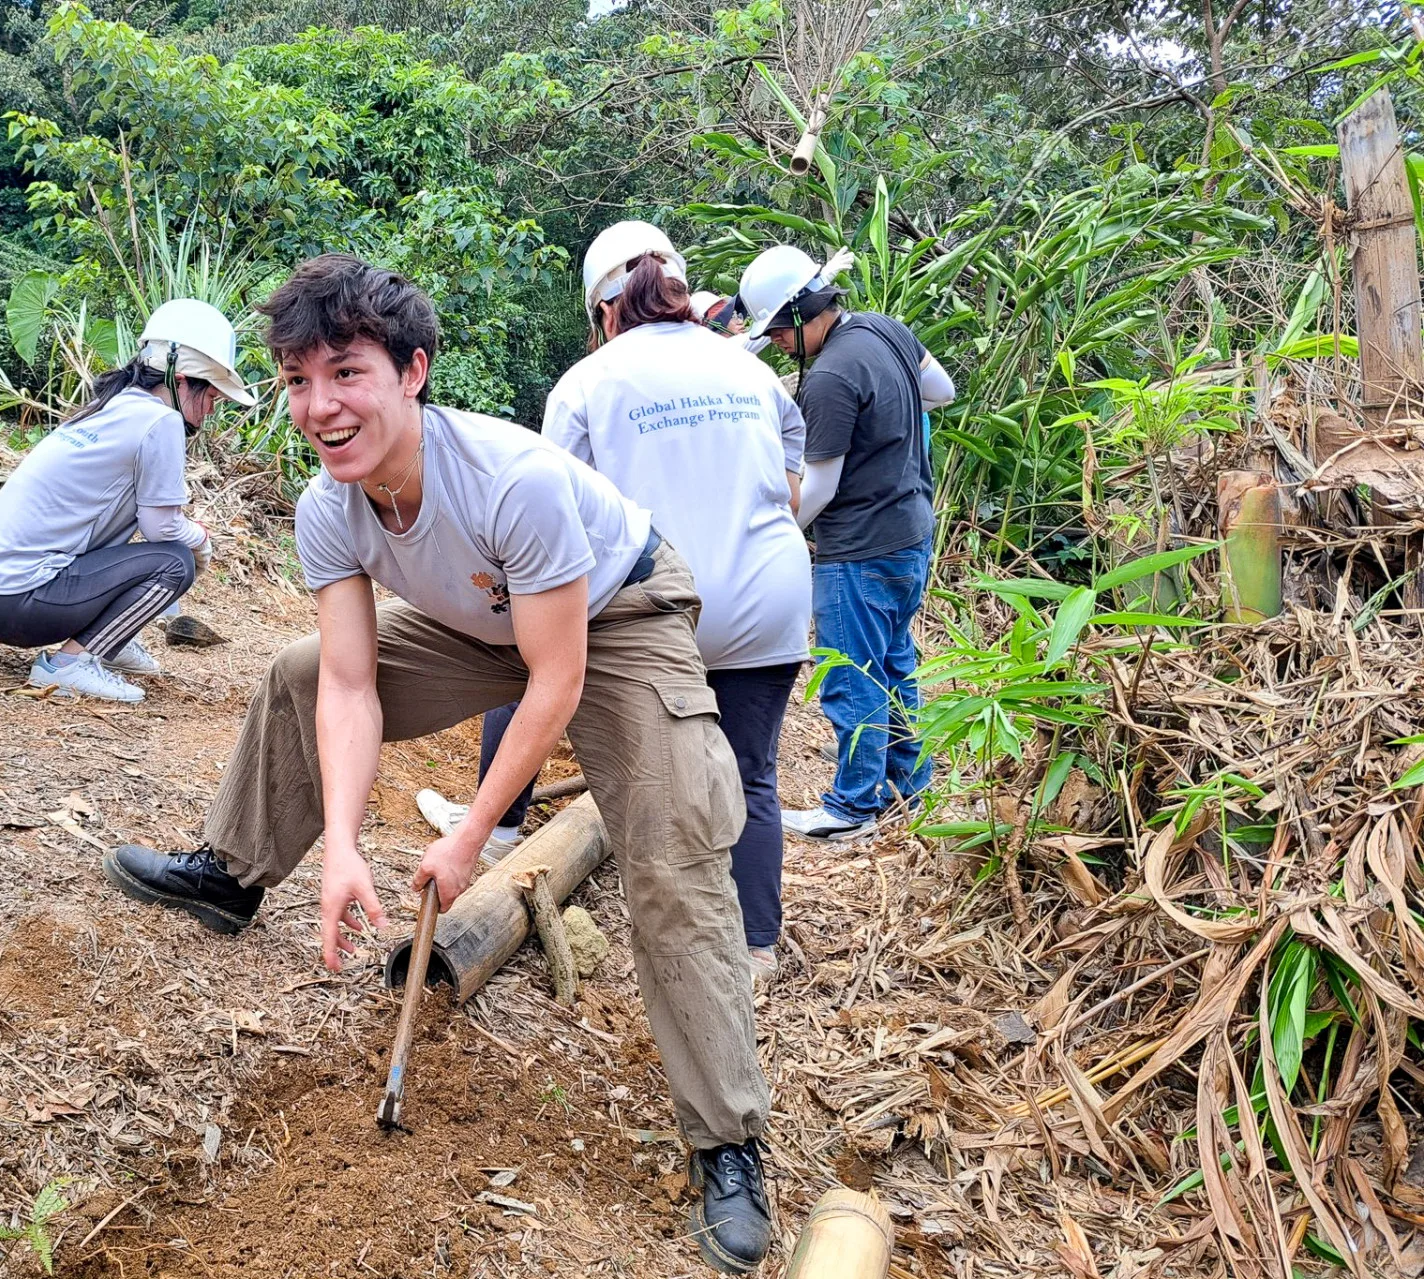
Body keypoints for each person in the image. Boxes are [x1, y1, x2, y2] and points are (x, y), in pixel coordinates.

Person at [101, 255, 776, 1273]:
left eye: (346, 373)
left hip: (617, 615)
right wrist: (340, 846)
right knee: (293, 673)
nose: (319, 405)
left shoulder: (514, 481)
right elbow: (347, 682)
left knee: (673, 853)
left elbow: (554, 679)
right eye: (296, 380)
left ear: (413, 371)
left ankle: (727, 1140)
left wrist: (469, 837)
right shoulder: (330, 507)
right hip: (489, 615)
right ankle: (235, 872)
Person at [542, 221, 811, 982]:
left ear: (603, 312)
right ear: (681, 293)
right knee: (752, 772)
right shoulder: (749, 371)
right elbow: (790, 488)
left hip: (663, 608)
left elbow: (555, 517)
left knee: (656, 775)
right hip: (768, 600)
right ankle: (757, 947)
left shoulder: (587, 384)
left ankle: (681, 952)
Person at [734, 243, 956, 842]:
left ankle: (852, 806)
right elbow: (942, 390)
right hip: (910, 532)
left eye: (780, 330)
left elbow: (820, 488)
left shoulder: (830, 377)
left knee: (852, 674)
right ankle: (911, 788)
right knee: (894, 664)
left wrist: (769, 541)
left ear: (806, 312)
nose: (777, 341)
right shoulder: (884, 331)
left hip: (858, 546)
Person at [0, 299, 254, 702]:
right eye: (213, 397)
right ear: (181, 380)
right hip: (17, 604)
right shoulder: (160, 420)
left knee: (155, 554)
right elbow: (161, 527)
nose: (212, 409)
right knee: (175, 561)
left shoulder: (113, 404)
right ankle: (69, 665)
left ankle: (109, 639)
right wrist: (202, 539)